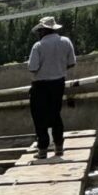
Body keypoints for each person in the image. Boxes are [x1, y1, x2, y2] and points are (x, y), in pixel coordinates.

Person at [26, 16, 77, 159]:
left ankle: (42, 149)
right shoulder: (66, 42)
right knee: (55, 114)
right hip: (58, 83)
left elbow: (33, 68)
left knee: (39, 116)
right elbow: (72, 63)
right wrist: (58, 68)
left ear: (43, 31)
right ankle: (59, 146)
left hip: (41, 84)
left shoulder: (38, 46)